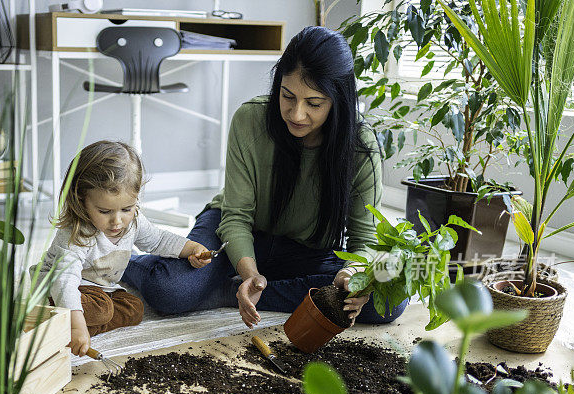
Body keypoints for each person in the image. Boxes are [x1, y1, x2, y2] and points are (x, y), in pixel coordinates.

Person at [123, 26, 408, 327]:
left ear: (338, 101)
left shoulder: (361, 148)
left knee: (388, 301)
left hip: (305, 249)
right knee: (171, 290)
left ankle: (225, 292)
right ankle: (123, 260)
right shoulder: (251, 119)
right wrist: (250, 273)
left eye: (313, 103)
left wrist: (353, 275)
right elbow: (235, 217)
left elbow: (363, 238)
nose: (296, 114)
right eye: (287, 96)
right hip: (235, 232)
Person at [35, 141, 213, 356]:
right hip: (60, 287)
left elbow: (157, 240)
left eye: (126, 209)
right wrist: (77, 326)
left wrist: (191, 248)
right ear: (81, 201)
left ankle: (68, 327)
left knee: (134, 308)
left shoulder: (133, 221)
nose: (117, 221)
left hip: (100, 290)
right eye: (104, 211)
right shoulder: (77, 233)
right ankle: (68, 320)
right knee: (102, 310)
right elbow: (64, 281)